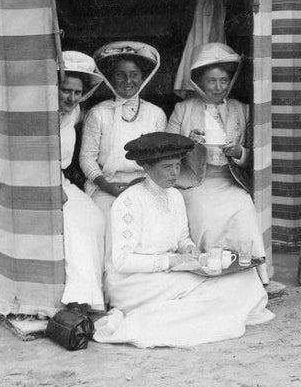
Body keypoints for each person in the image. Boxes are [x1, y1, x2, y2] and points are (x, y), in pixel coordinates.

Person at [93, 132, 274, 348]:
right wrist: (170, 262)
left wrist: (189, 249)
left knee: (246, 278)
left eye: (178, 165)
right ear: (147, 167)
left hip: (169, 271)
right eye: (167, 167)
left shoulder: (175, 196)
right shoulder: (129, 202)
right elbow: (122, 261)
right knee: (217, 292)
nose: (175, 173)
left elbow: (182, 237)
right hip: (134, 282)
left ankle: (204, 311)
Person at [166, 42, 280, 293]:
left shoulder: (242, 109)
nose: (218, 87)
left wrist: (239, 152)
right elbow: (168, 151)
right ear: (199, 82)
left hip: (229, 180)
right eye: (211, 81)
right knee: (204, 214)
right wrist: (187, 144)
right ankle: (210, 276)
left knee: (244, 209)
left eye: (224, 80)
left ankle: (254, 279)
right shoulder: (183, 110)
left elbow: (257, 156)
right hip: (195, 181)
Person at [79, 41, 168, 217]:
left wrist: (144, 183)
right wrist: (106, 186)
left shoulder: (156, 114)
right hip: (106, 186)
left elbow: (161, 158)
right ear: (111, 78)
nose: (128, 81)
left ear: (143, 78)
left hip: (147, 185)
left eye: (134, 74)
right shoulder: (98, 114)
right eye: (120, 75)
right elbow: (87, 158)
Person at [58, 51, 107, 310]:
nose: (72, 97)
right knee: (75, 226)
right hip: (39, 182)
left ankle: (94, 294)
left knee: (95, 219)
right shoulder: (41, 114)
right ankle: (78, 298)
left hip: (61, 181)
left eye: (77, 92)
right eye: (66, 90)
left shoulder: (75, 111)